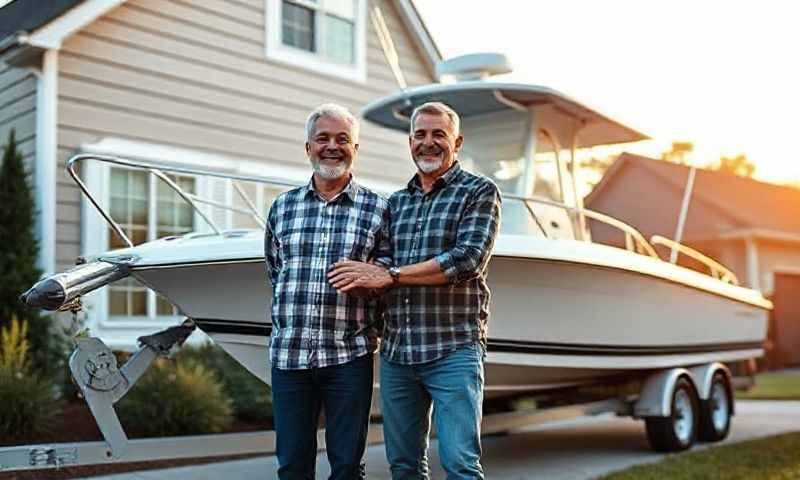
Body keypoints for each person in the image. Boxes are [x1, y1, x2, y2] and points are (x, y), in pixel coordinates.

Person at [328, 101, 502, 479]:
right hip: (397, 354)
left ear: (457, 142)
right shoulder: (396, 203)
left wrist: (389, 274)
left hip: (453, 349)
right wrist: (362, 281)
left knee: (460, 464)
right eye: (420, 134)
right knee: (404, 465)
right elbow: (380, 271)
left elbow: (467, 260)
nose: (428, 142)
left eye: (438, 134)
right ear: (410, 142)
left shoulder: (479, 192)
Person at [264, 103, 389, 479]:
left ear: (355, 149)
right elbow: (276, 271)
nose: (332, 146)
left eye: (343, 139)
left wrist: (369, 281)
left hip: (349, 356)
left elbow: (386, 283)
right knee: (292, 466)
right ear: (308, 148)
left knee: (348, 466)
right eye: (323, 138)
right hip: (289, 358)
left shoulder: (378, 209)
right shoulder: (282, 207)